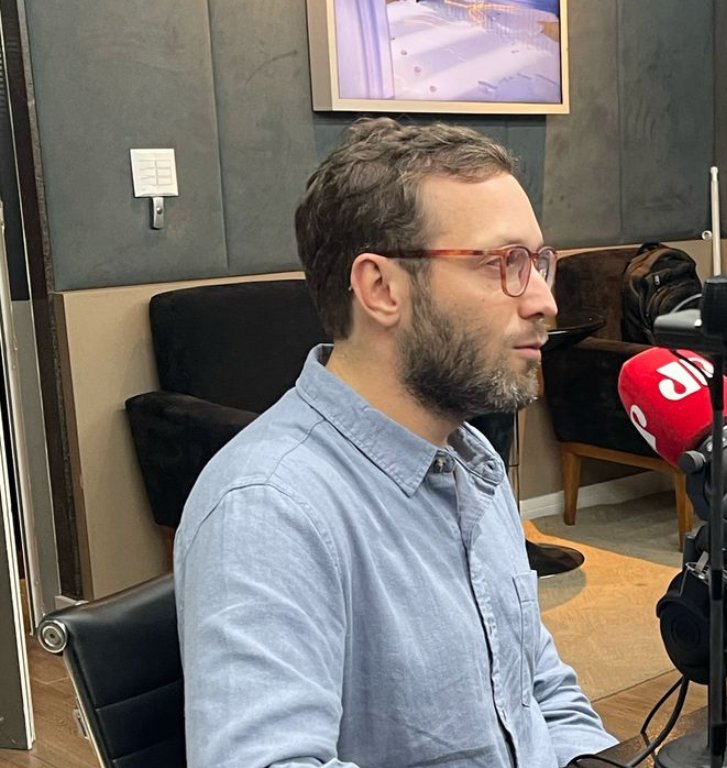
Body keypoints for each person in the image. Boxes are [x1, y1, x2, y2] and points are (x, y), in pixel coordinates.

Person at [174, 117, 617, 766]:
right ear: (381, 288)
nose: (544, 301)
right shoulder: (269, 510)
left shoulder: (472, 458)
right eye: (504, 265)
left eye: (540, 262)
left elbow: (535, 687)